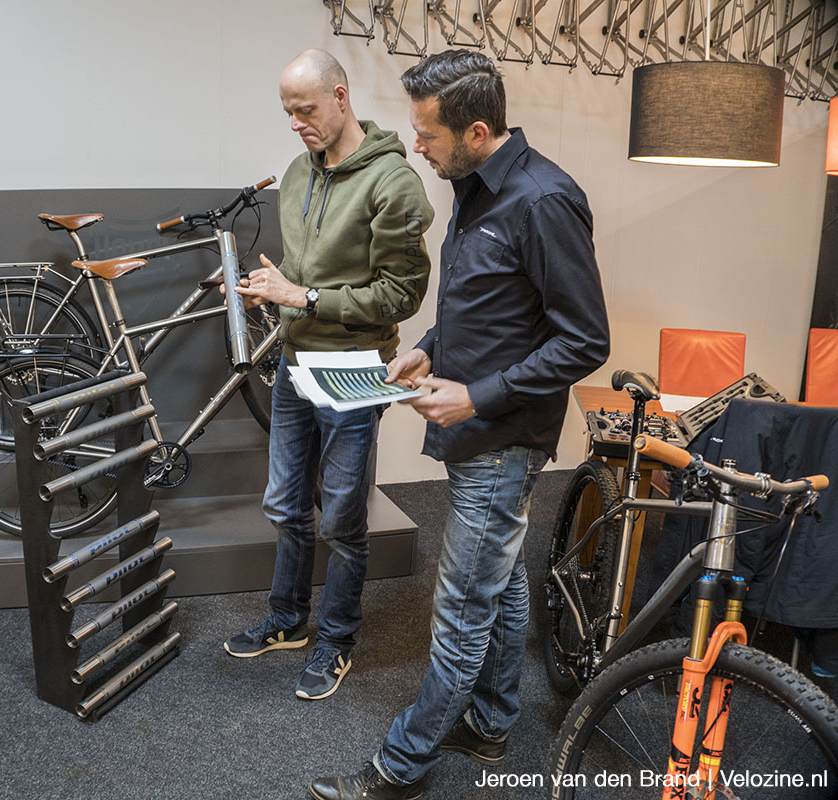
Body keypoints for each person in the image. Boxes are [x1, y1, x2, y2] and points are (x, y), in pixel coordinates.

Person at [308, 49, 610, 798]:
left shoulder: (544, 201)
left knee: (463, 609)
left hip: (502, 438)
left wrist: (477, 396)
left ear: (477, 131)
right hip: (475, 432)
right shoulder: (469, 185)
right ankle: (492, 721)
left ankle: (401, 766)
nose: (415, 146)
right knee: (499, 584)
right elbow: (488, 305)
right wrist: (429, 348)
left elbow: (583, 341)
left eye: (427, 135)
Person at [223, 48, 434, 701]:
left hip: (354, 368)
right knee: (286, 504)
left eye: (306, 109)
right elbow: (301, 270)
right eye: (288, 112)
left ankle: (337, 640)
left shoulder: (394, 184)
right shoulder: (296, 172)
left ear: (341, 98)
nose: (296, 123)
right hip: (296, 361)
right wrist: (270, 289)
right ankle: (287, 620)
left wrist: (305, 297)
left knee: (341, 517)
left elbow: (402, 295)